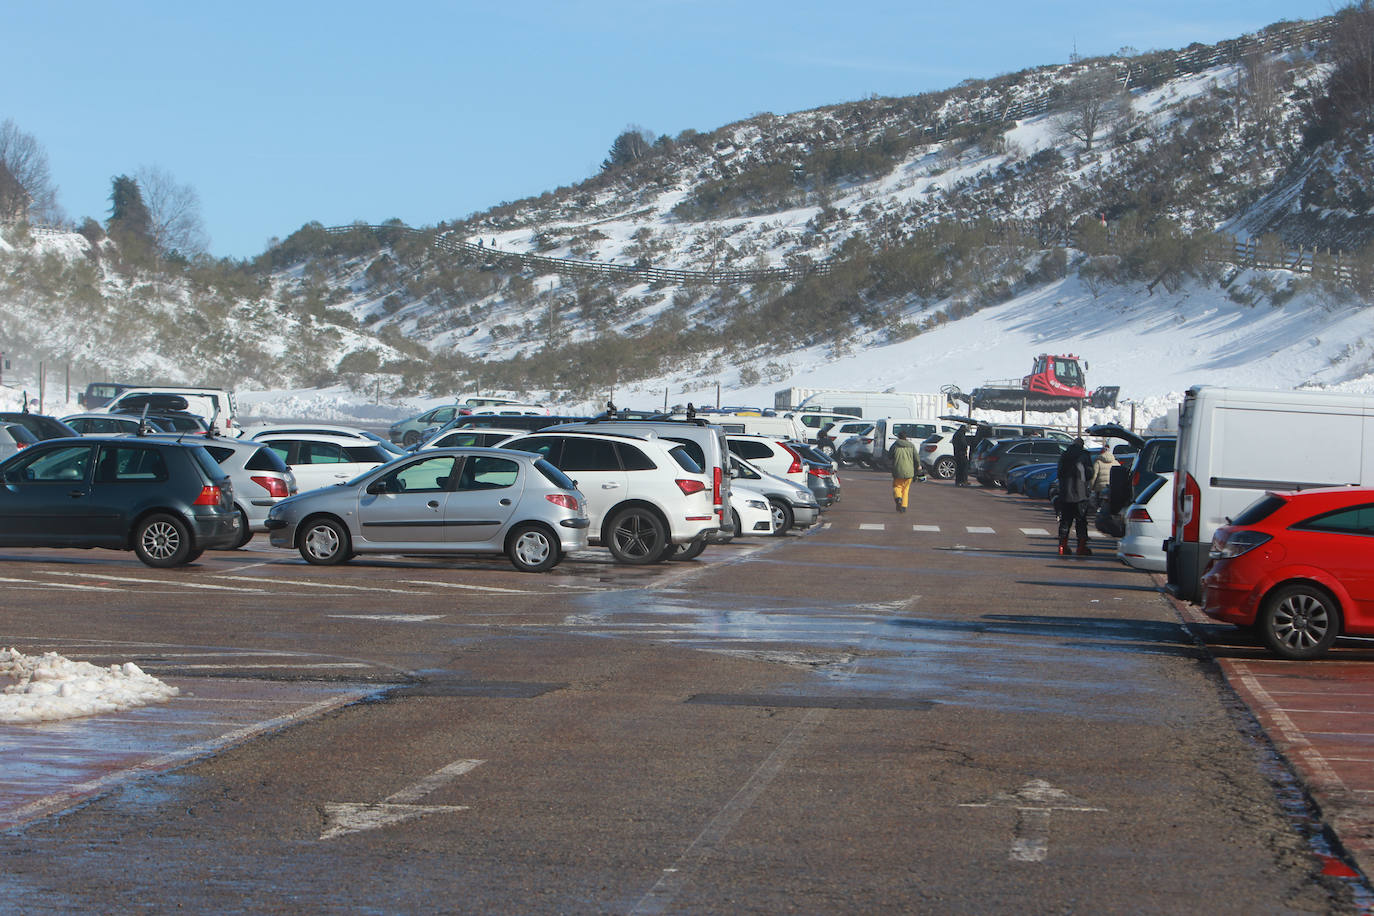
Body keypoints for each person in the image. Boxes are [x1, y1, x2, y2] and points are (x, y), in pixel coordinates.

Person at [1056, 438, 1094, 556]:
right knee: (1081, 521)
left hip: (1065, 493)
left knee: (1065, 521)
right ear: (1082, 445)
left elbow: (1059, 473)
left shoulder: (1064, 455)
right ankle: (1081, 548)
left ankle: (1062, 546)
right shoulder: (1084, 455)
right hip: (1080, 494)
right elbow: (1089, 474)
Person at [890, 431, 917, 513]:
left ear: (898, 437)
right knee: (906, 489)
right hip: (909, 471)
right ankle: (904, 506)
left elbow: (889, 456)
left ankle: (898, 498)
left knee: (897, 486)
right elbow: (916, 458)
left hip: (898, 470)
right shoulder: (911, 446)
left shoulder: (895, 445)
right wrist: (918, 467)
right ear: (906, 437)